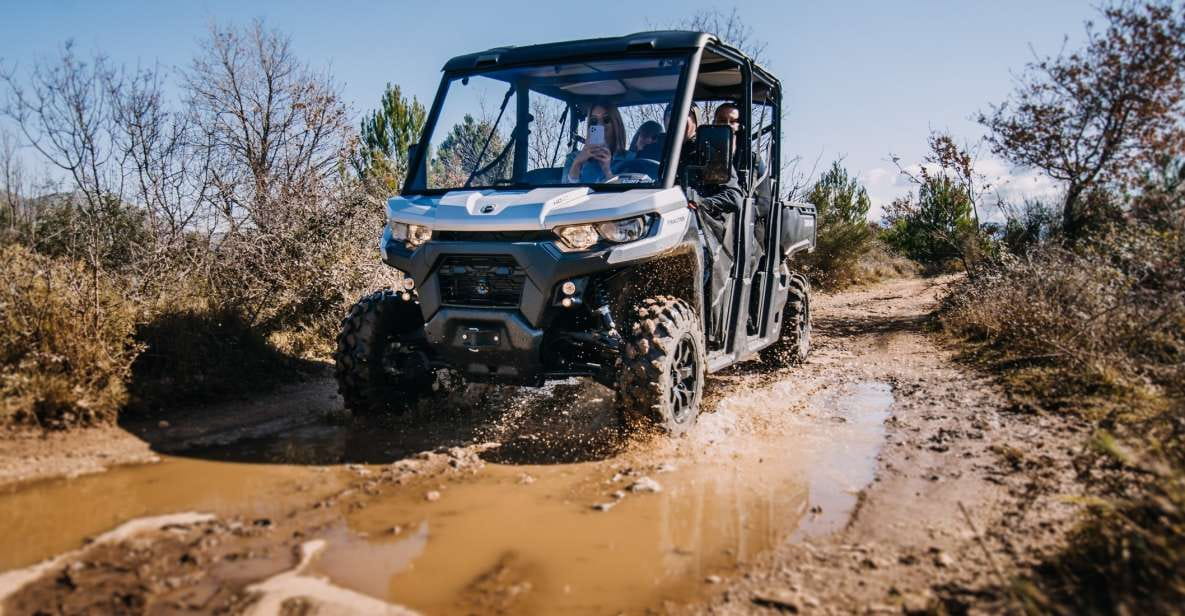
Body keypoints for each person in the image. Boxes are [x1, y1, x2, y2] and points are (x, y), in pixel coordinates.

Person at [563, 101, 627, 183]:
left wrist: (607, 172)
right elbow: (563, 190)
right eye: (594, 121)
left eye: (606, 120)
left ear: (616, 124)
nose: (600, 125)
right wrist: (577, 164)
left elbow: (629, 190)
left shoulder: (629, 160)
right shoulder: (573, 158)